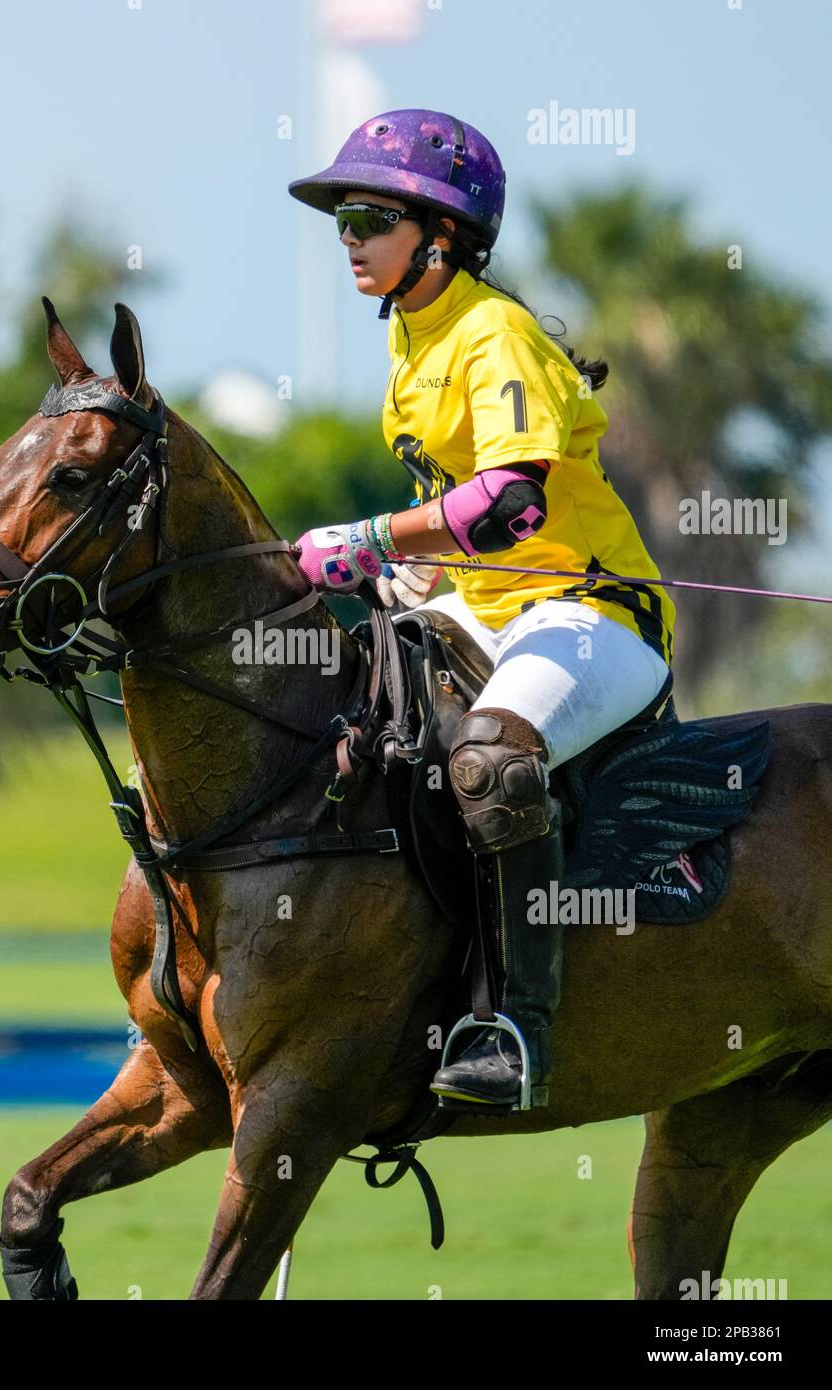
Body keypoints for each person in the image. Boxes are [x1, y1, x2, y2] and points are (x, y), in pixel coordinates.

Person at [286, 110, 676, 1110]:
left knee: (487, 759)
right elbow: (464, 530)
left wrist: (372, 539)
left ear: (439, 233)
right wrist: (411, 576)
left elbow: (510, 504)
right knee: (355, 725)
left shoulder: (490, 332)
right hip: (488, 611)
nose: (348, 240)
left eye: (367, 217)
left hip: (589, 617)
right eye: (340, 220)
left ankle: (512, 1028)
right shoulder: (412, 342)